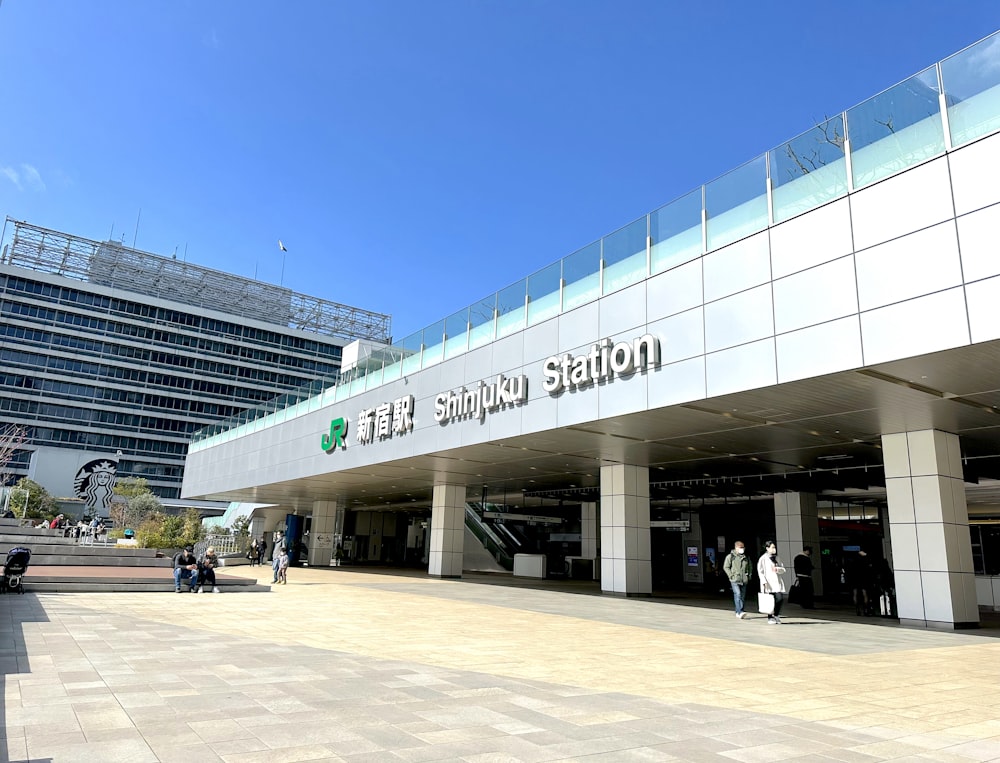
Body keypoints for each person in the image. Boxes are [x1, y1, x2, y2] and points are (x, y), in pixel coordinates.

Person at [757, 540, 787, 624]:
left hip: (777, 582)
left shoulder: (777, 558)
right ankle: (770, 617)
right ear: (767, 548)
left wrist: (778, 569)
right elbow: (760, 571)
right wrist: (763, 581)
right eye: (772, 547)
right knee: (770, 601)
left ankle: (776, 615)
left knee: (779, 598)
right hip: (768, 583)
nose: (774, 549)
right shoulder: (763, 559)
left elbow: (783, 569)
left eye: (774, 547)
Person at [722, 540, 751, 618]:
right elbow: (726, 567)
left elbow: (749, 567)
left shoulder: (746, 557)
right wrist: (731, 576)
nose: (742, 549)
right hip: (735, 579)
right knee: (737, 594)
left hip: (744, 579)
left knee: (742, 596)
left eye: (743, 547)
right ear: (736, 548)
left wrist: (749, 575)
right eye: (741, 547)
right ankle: (740, 611)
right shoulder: (730, 556)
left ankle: (739, 611)